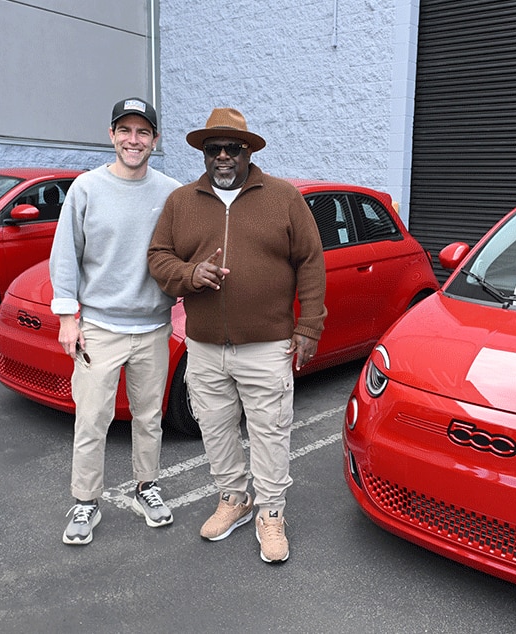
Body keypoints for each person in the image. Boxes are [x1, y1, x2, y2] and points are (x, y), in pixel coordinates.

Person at [148, 108, 327, 563]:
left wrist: (309, 325)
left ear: (249, 152)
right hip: (205, 345)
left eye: (234, 148)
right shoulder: (181, 202)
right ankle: (234, 498)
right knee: (215, 427)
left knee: (270, 431)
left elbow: (311, 262)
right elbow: (159, 256)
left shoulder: (284, 198)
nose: (224, 156)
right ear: (204, 154)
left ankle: (271, 511)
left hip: (267, 345)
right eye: (215, 149)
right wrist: (191, 274)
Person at [50, 98, 182, 545]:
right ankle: (86, 502)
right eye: (125, 130)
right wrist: (67, 318)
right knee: (91, 420)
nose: (133, 140)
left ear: (155, 140)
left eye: (142, 132)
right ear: (111, 135)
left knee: (149, 418)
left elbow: (184, 253)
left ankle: (148, 487)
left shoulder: (171, 193)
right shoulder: (86, 189)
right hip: (99, 329)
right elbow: (65, 255)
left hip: (153, 328)